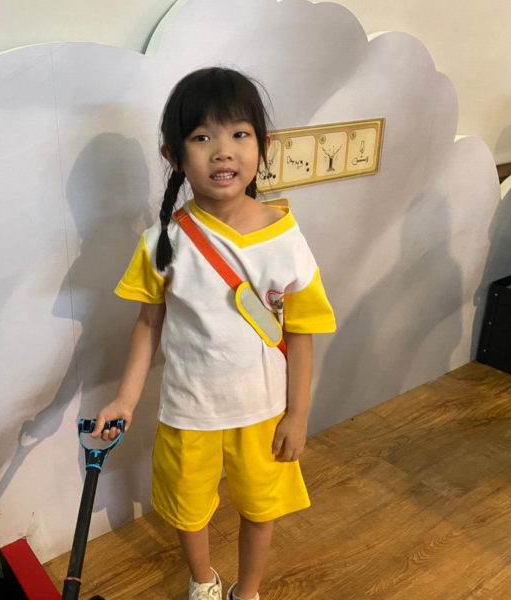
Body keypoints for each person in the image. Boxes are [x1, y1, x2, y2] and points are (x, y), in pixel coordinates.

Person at [92, 67, 336, 600]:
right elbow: (148, 322)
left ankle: (248, 591)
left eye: (239, 134)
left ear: (263, 147)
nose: (223, 151)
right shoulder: (163, 241)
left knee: (261, 509)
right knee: (189, 511)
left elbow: (301, 333)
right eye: (202, 137)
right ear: (174, 156)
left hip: (264, 412)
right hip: (189, 413)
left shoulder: (286, 238)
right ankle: (203, 581)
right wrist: (125, 399)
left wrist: (297, 414)